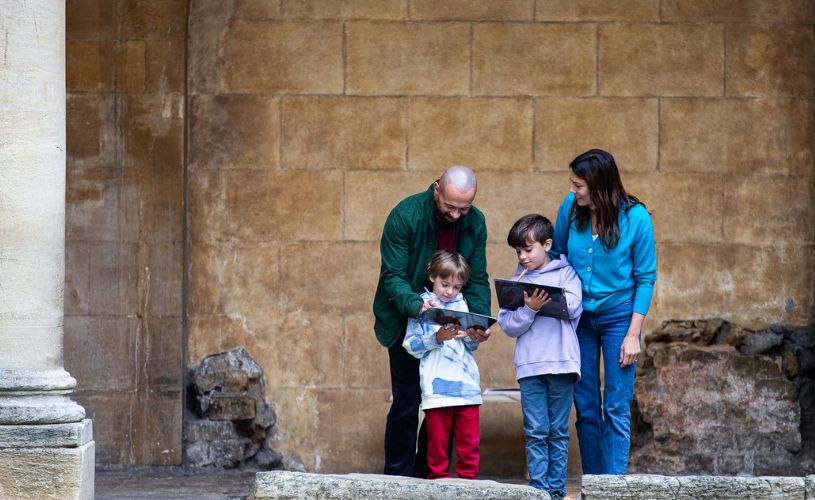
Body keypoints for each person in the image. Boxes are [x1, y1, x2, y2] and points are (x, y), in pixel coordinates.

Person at [373, 166, 492, 477]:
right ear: (437, 189)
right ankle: (398, 478)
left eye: (463, 208)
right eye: (450, 206)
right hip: (408, 322)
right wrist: (417, 304)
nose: (456, 215)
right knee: (407, 400)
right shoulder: (406, 214)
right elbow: (393, 276)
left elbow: (478, 277)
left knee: (444, 405)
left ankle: (429, 474)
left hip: (452, 334)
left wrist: (478, 320)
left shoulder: (475, 222)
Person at [551, 149, 657, 475]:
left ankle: (612, 489)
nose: (573, 191)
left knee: (616, 405)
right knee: (584, 405)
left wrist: (632, 335)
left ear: (598, 186)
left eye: (579, 185)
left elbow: (646, 277)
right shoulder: (570, 209)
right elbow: (555, 255)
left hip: (619, 317)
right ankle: (593, 484)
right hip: (579, 318)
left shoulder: (636, 217)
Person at [497, 214, 583, 499]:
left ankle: (556, 491)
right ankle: (538, 490)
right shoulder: (515, 281)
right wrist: (530, 308)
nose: (522, 256)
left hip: (561, 363)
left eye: (528, 249)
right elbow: (508, 325)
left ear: (547, 245)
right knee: (535, 430)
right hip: (530, 367)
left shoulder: (565, 273)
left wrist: (545, 299)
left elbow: (573, 309)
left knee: (558, 431)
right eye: (518, 251)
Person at [403, 251, 482, 479]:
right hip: (436, 387)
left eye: (456, 287)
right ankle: (438, 480)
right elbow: (411, 345)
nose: (450, 292)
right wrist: (437, 338)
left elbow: (472, 347)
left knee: (470, 440)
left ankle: (470, 482)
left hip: (466, 385)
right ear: (431, 277)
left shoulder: (463, 304)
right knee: (437, 441)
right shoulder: (421, 307)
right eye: (445, 284)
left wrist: (471, 334)